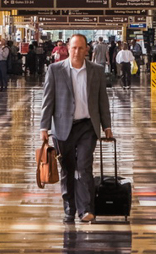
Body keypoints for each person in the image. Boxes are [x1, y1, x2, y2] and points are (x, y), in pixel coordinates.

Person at [39, 34, 114, 224]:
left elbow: (102, 100)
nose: (77, 52)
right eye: (74, 48)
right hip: (63, 128)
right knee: (68, 169)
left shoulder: (96, 70)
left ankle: (86, 209)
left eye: (81, 48)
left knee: (84, 167)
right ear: (68, 48)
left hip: (88, 126)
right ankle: (69, 209)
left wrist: (107, 126)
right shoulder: (55, 70)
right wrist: (44, 127)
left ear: (87, 49)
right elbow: (48, 100)